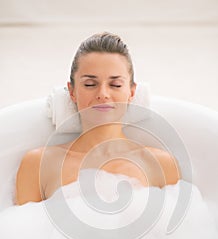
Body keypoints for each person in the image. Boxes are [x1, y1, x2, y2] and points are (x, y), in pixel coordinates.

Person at [15, 32, 180, 205]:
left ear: (131, 92)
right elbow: (22, 228)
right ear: (72, 92)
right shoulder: (38, 164)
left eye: (115, 85)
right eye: (90, 84)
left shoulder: (161, 164)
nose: (103, 94)